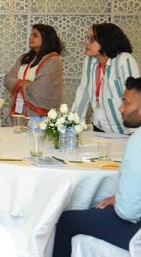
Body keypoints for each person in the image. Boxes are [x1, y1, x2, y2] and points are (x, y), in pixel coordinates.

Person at [52, 76, 141, 257]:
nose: (121, 108)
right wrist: (120, 198)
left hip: (136, 231)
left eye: (126, 103)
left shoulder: (137, 141)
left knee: (65, 221)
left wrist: (121, 202)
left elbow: (128, 211)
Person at [71, 23, 139, 134]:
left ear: (106, 40)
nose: (86, 42)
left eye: (92, 39)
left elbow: (135, 98)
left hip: (125, 132)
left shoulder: (124, 60)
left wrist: (135, 136)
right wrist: (72, 127)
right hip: (99, 128)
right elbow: (82, 95)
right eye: (87, 38)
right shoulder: (89, 61)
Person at [4, 24, 64, 117]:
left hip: (39, 116)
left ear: (46, 39)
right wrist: (25, 83)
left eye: (35, 35)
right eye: (31, 35)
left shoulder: (53, 60)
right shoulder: (24, 58)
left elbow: (39, 89)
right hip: (18, 112)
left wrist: (18, 84)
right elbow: (7, 79)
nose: (30, 38)